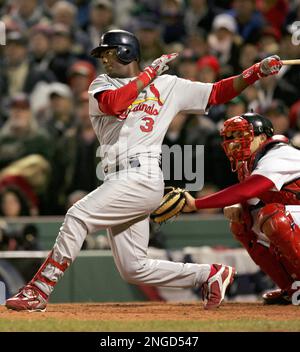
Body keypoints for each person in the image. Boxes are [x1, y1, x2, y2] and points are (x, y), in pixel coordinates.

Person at [6, 29, 282, 312]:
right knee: (133, 268)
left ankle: (38, 290)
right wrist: (148, 74)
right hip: (117, 177)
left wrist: (255, 72)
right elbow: (115, 103)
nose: (104, 59)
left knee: (77, 215)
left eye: (108, 53)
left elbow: (217, 92)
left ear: (126, 52)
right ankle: (209, 274)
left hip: (142, 174)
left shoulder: (168, 85)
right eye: (102, 54)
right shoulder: (102, 84)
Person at [183, 112, 300, 304]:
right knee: (242, 222)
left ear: (262, 138)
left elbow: (248, 189)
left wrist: (197, 203)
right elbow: (249, 197)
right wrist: (239, 204)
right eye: (231, 137)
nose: (234, 142)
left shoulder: (279, 154)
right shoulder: (249, 163)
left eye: (241, 136)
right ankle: (292, 289)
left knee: (274, 218)